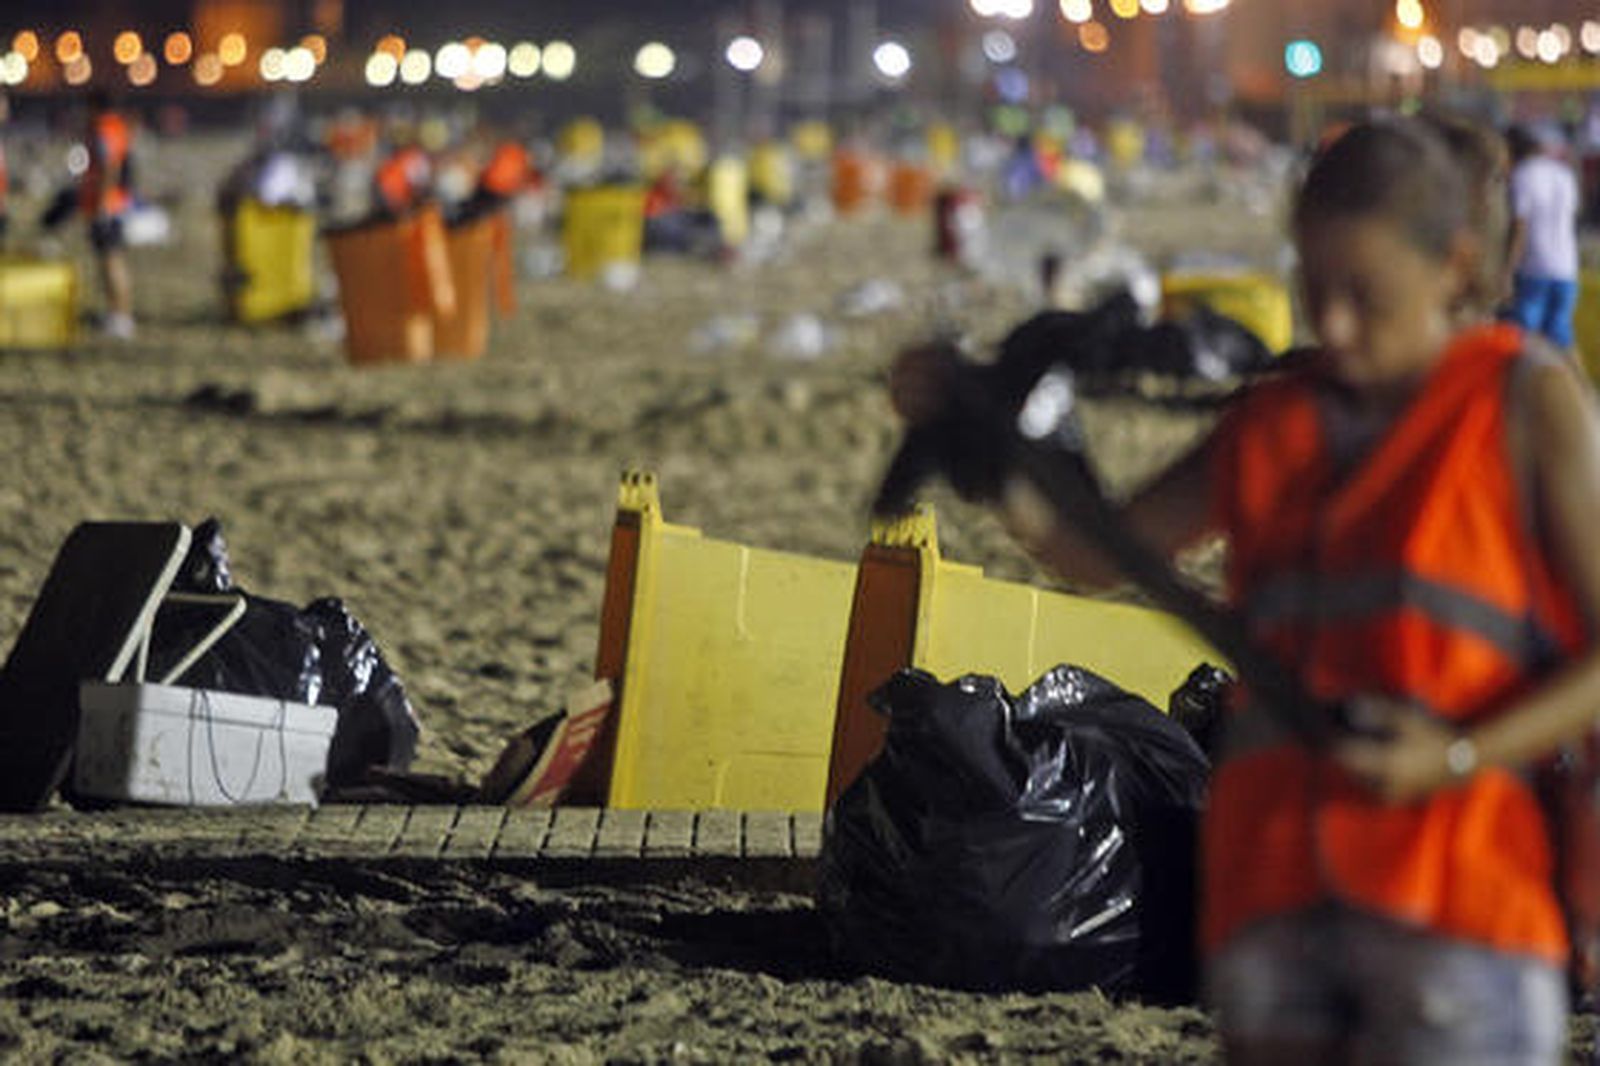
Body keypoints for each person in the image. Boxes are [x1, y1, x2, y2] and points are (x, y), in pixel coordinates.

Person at [891, 118, 1600, 1064]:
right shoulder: (1274, 419)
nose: (1335, 324)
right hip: (1275, 896)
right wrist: (987, 448)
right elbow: (1096, 551)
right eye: (1315, 289)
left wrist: (1458, 756)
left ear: (1454, 267)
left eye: (1367, 295)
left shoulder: (1523, 401)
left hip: (1457, 899)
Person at [1506, 122, 1581, 352]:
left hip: (1534, 267)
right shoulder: (1563, 174)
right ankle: (1578, 386)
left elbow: (1520, 224)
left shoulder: (1522, 175)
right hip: (1567, 266)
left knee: (1521, 341)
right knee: (1562, 340)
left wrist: (1508, 267)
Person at [81, 89, 136, 339]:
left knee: (111, 261)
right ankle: (116, 314)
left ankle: (121, 316)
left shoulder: (105, 128)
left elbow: (109, 166)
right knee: (109, 261)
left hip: (109, 206)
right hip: (114, 204)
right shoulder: (117, 127)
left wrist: (102, 204)